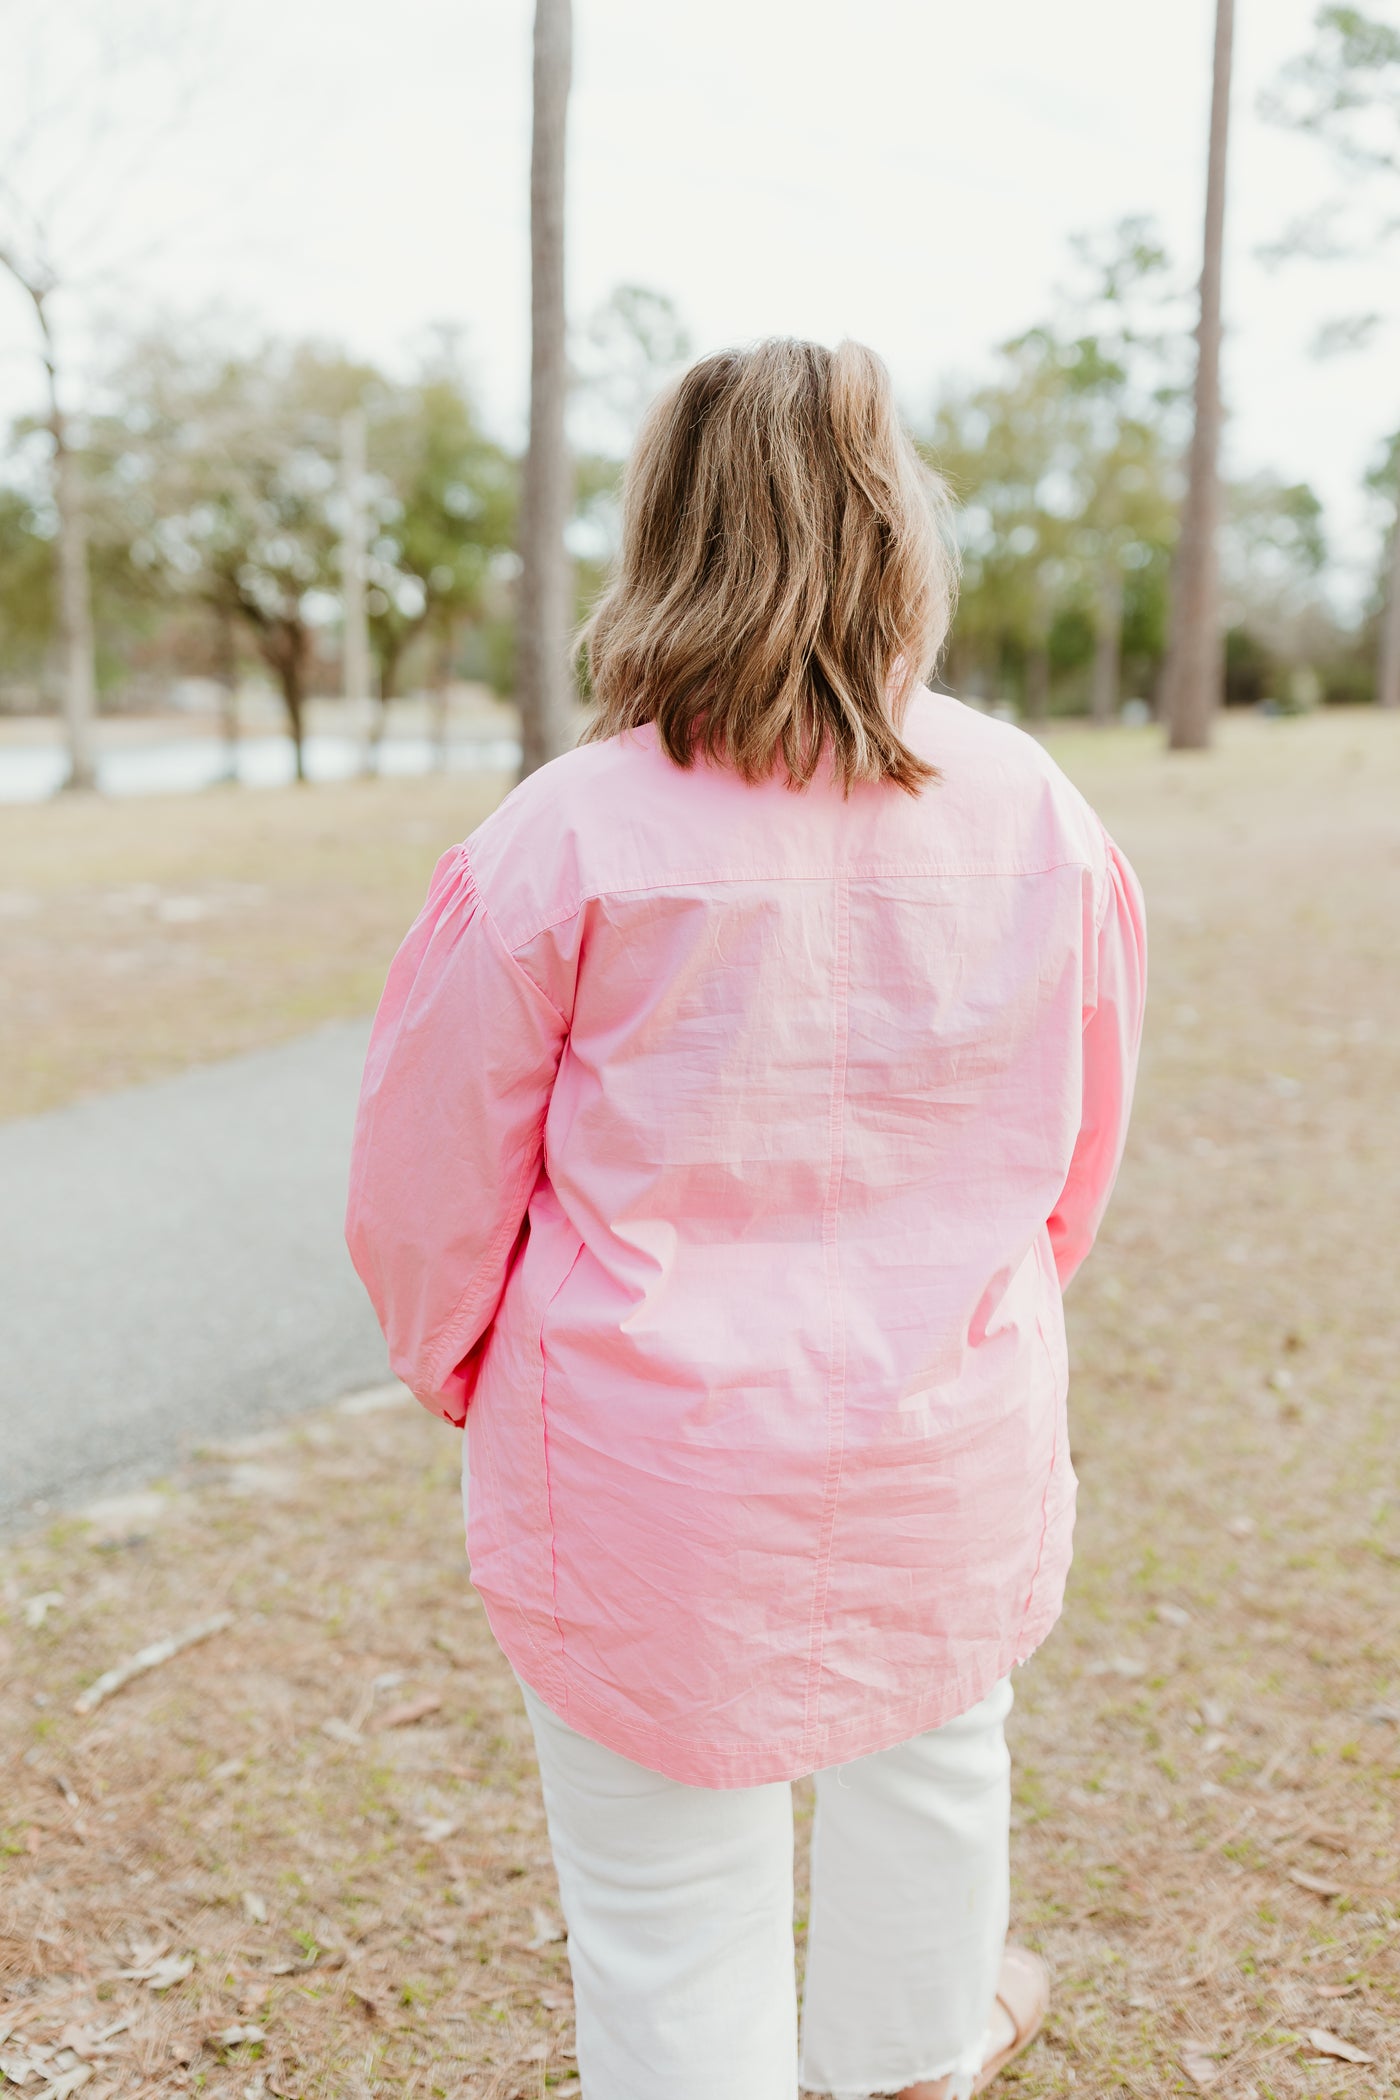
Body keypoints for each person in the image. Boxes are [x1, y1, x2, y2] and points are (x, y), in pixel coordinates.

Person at [346, 338, 1146, 2100]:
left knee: (664, 1891)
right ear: (893, 535)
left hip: (648, 1459)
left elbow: (424, 1191)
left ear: (668, 533)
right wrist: (965, 1313)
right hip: (945, 1421)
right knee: (937, 1786)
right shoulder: (1038, 809)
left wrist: (467, 1365)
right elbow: (1073, 1154)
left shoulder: (562, 838)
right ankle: (912, 2061)